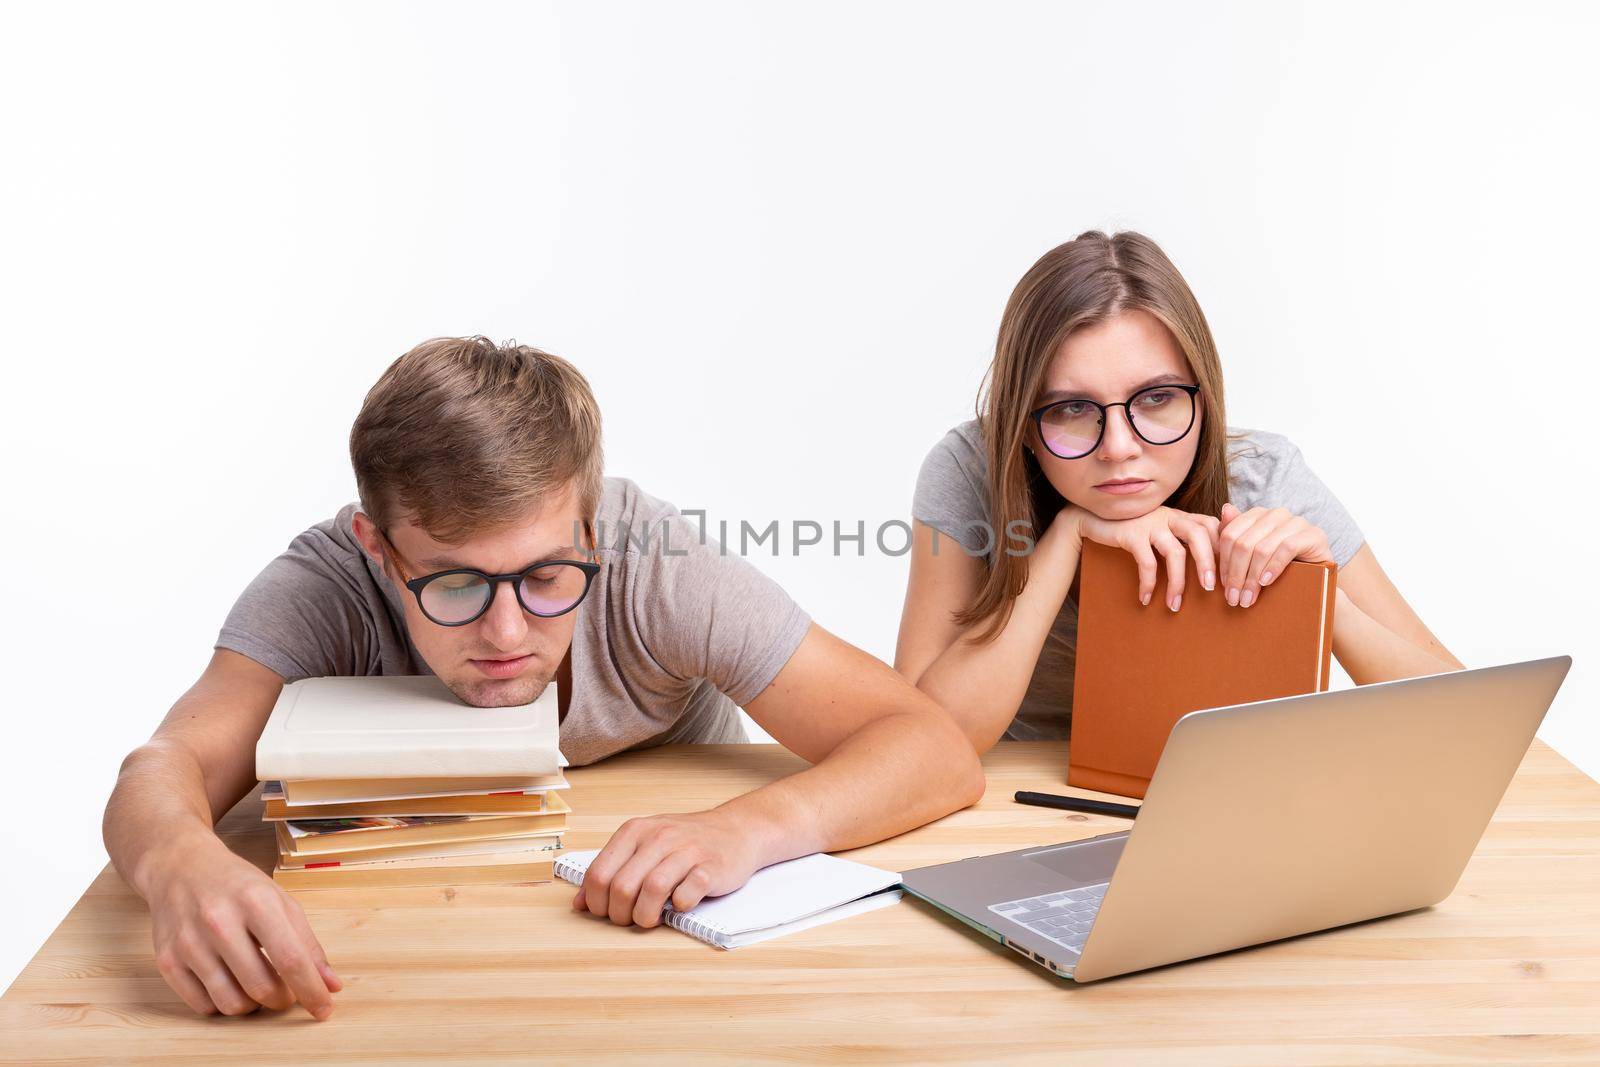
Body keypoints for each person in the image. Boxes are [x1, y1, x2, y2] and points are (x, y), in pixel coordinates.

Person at [103, 337, 985, 1022]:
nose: (507, 632)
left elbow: (931, 747)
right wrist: (181, 862)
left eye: (548, 575)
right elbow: (165, 761)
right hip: (416, 946)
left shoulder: (658, 561)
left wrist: (748, 827)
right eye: (453, 582)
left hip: (675, 954)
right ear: (378, 546)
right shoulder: (326, 581)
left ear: (594, 529)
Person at [895, 230, 1464, 752]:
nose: (1118, 447)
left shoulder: (1261, 480)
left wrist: (1321, 598)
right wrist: (1070, 535)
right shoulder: (972, 472)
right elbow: (923, 740)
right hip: (1018, 803)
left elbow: (1463, 719)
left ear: (1204, 397)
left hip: (1222, 792)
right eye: (1071, 408)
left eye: (1156, 398)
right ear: (1021, 424)